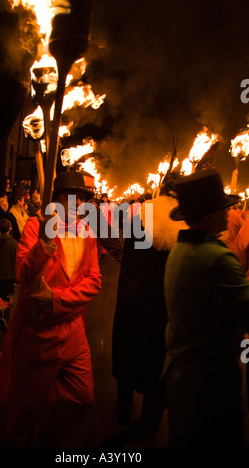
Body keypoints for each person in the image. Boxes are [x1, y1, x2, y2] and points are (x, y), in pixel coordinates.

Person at [0, 171, 101, 448]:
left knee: (81, 397)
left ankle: (48, 435)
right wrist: (45, 243)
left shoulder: (87, 231)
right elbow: (22, 275)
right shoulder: (35, 225)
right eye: (73, 197)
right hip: (40, 335)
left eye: (85, 198)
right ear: (58, 200)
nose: (80, 203)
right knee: (23, 411)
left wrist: (58, 299)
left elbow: (94, 280)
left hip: (74, 331)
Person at [163, 168, 249, 448]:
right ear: (209, 213)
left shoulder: (180, 250)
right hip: (210, 387)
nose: (229, 211)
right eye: (222, 206)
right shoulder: (216, 258)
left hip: (183, 381)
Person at [101, 172, 186, 447]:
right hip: (161, 306)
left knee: (127, 352)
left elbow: (120, 246)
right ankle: (149, 417)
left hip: (132, 300)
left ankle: (123, 407)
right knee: (155, 360)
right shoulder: (180, 225)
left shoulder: (141, 216)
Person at [0, 218, 18, 301]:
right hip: (9, 275)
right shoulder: (13, 243)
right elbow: (16, 260)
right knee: (8, 299)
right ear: (10, 228)